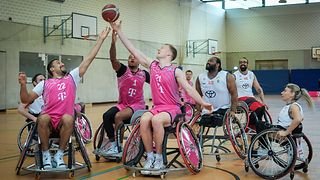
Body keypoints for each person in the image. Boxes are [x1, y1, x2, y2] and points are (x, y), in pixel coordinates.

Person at [109, 21, 212, 171]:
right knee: (144, 120)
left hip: (172, 108)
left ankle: (159, 159)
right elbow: (133, 49)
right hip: (157, 107)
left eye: (162, 48)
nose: (159, 49)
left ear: (169, 54)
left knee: (156, 121)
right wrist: (119, 31)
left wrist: (203, 102)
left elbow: (189, 90)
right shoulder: (153, 65)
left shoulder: (176, 71)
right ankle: (149, 157)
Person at [18, 28, 110, 169]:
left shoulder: (71, 77)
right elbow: (25, 99)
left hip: (64, 123)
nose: (62, 63)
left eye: (61, 62)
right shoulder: (44, 83)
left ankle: (59, 155)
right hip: (48, 123)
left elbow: (88, 59)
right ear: (52, 70)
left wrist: (101, 39)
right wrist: (23, 85)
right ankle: (46, 154)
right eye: (58, 63)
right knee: (42, 117)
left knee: (68, 118)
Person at [97, 30, 150, 156]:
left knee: (118, 116)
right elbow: (113, 58)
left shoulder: (144, 74)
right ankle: (113, 142)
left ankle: (119, 146)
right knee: (106, 116)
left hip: (137, 105)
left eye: (134, 57)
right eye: (130, 57)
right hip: (122, 104)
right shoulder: (122, 70)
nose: (132, 58)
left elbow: (158, 83)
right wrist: (113, 43)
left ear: (139, 61)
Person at [255, 83, 313, 157]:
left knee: (259, 124)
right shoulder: (291, 106)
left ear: (292, 94)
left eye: (285, 91)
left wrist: (286, 132)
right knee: (256, 135)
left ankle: (264, 150)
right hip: (280, 130)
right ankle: (262, 148)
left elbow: (298, 119)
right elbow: (300, 118)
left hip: (281, 133)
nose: (282, 93)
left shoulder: (293, 106)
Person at [195, 56, 238, 126]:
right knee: (203, 122)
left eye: (211, 61)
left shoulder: (227, 76)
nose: (208, 62)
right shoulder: (200, 77)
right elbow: (197, 95)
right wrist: (198, 110)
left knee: (217, 120)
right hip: (207, 110)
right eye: (208, 61)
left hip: (223, 108)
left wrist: (233, 110)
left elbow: (234, 94)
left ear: (218, 64)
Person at [233, 57, 266, 126]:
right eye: (241, 62)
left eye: (244, 62)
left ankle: (255, 126)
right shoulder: (234, 75)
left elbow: (258, 89)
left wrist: (263, 101)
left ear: (247, 64)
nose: (242, 63)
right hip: (240, 99)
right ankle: (250, 125)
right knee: (258, 108)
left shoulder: (251, 74)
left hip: (250, 99)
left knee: (262, 107)